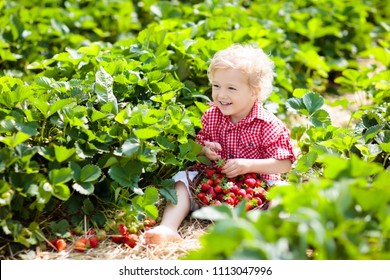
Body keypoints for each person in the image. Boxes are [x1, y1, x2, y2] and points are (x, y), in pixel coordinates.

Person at [144, 43, 296, 245]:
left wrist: (249, 166)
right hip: (212, 191)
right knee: (181, 182)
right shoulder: (211, 116)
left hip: (258, 196)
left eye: (231, 88)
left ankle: (274, 233)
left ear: (254, 91)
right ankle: (168, 227)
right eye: (216, 86)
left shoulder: (267, 124)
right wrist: (206, 152)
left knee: (283, 192)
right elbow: (198, 152)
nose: (221, 95)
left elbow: (284, 163)